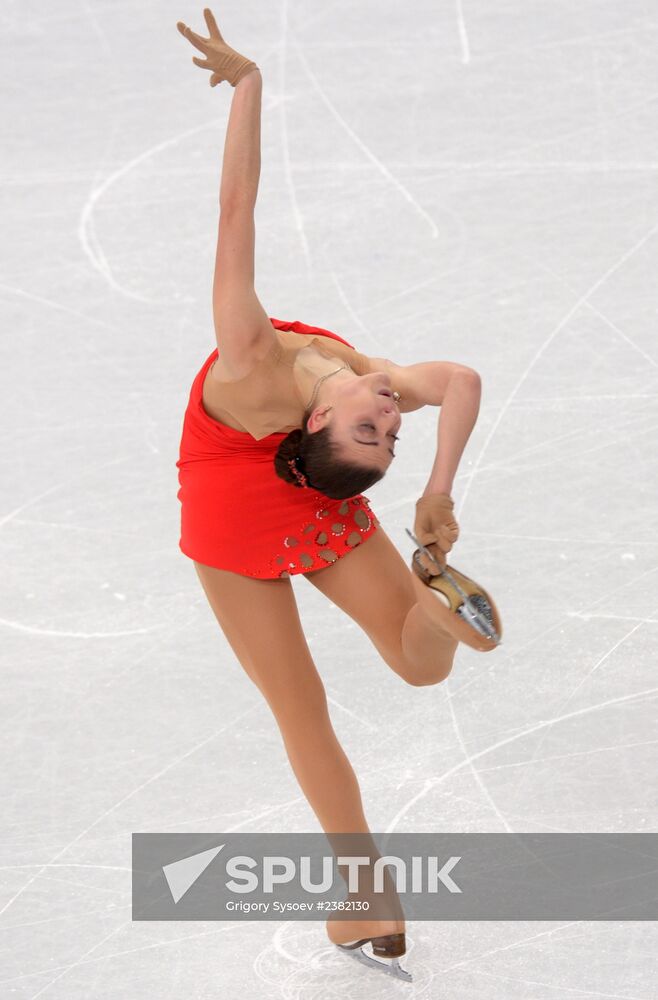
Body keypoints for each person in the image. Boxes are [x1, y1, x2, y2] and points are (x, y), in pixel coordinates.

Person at [175, 9, 502, 983]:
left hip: (279, 510)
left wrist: (436, 490)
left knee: (370, 684)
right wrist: (247, 88)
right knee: (353, 685)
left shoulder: (304, 376)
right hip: (247, 510)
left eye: (386, 431)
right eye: (386, 427)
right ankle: (368, 892)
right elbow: (236, 212)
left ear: (321, 430)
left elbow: (458, 382)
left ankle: (366, 899)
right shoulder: (305, 373)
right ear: (309, 426)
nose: (391, 413)